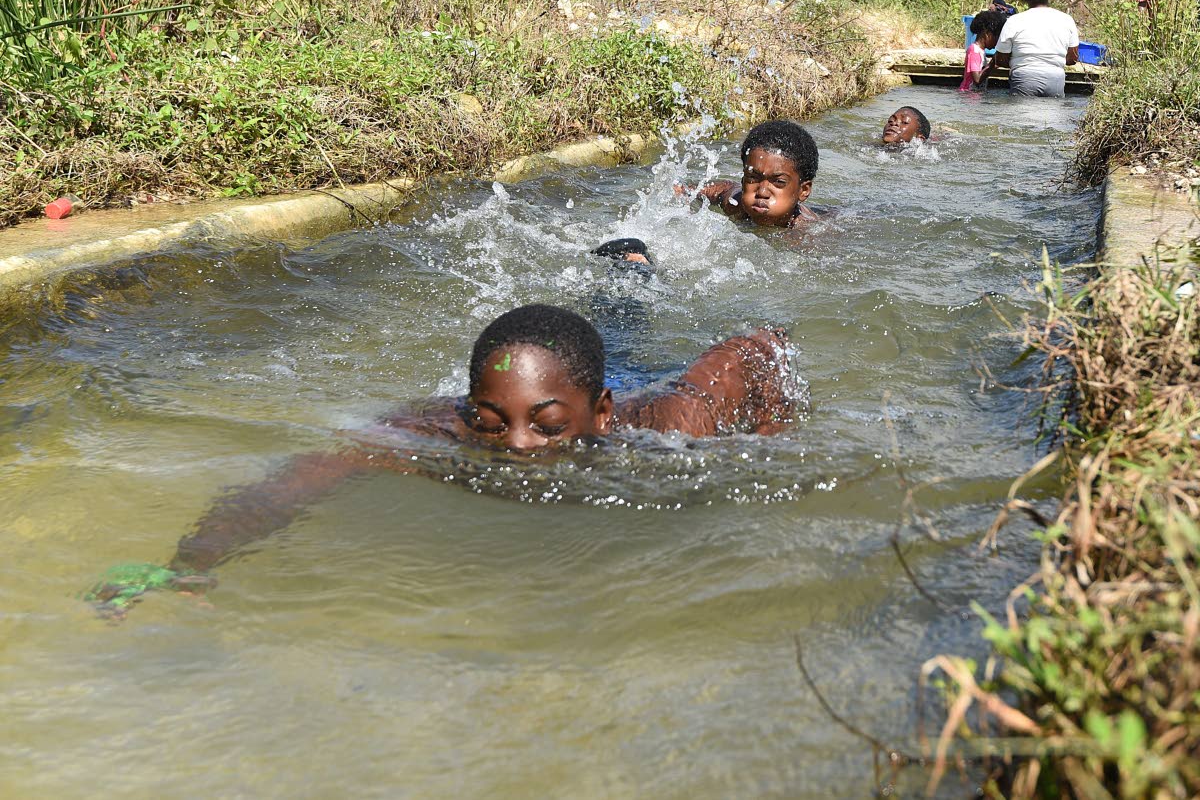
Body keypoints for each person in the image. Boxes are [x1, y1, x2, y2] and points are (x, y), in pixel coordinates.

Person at [85, 304, 794, 613]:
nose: (516, 444)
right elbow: (299, 478)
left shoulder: (673, 424)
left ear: (598, 414)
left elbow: (763, 345)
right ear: (467, 408)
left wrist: (772, 437)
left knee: (627, 311)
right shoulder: (433, 427)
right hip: (571, 363)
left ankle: (633, 266)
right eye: (492, 421)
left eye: (546, 427)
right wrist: (190, 559)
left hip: (641, 367)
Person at [678, 119, 823, 230]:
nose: (762, 192)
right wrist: (684, 191)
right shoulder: (735, 203)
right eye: (753, 178)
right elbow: (721, 189)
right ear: (743, 180)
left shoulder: (807, 232)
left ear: (803, 191)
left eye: (778, 182)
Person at [992, 0, 1080, 98]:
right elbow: (1073, 58)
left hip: (1024, 78)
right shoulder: (1066, 20)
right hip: (1055, 79)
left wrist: (1020, 62)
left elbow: (1000, 59)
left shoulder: (1014, 21)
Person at [960, 11, 1005, 93]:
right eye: (997, 37)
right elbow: (977, 79)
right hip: (968, 94)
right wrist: (992, 63)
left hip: (973, 95)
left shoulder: (981, 51)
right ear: (987, 34)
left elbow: (981, 71)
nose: (998, 42)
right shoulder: (974, 51)